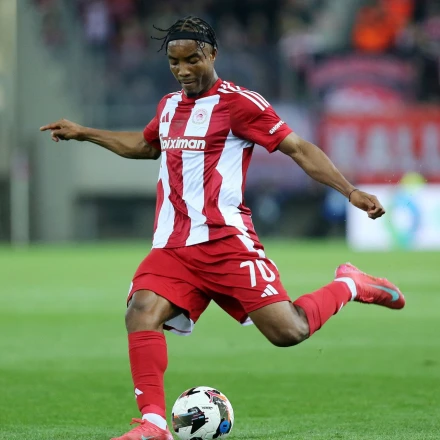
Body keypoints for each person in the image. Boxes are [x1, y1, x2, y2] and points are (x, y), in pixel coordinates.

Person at [40, 16, 405, 440]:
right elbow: (145, 145)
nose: (183, 70)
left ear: (212, 54)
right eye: (174, 62)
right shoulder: (168, 105)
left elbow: (299, 149)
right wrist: (84, 132)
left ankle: (351, 284)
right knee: (141, 312)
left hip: (226, 242)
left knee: (289, 331)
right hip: (173, 245)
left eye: (192, 60)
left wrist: (350, 191)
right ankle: (153, 423)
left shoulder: (240, 104)